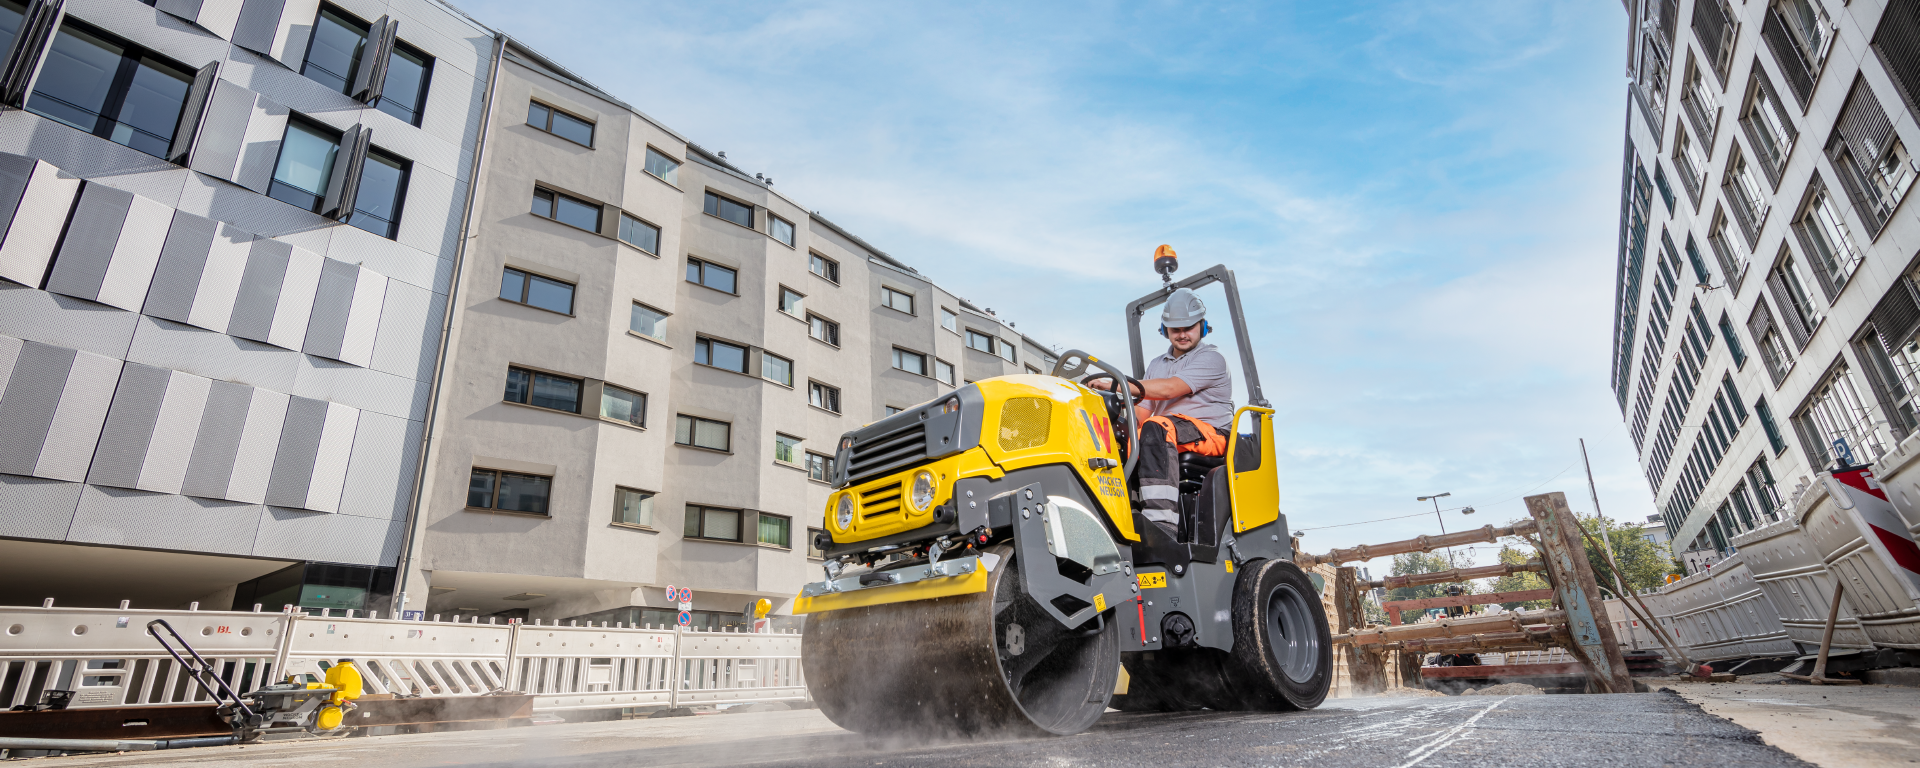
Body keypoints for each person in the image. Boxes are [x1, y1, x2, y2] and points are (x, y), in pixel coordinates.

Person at [1088, 286, 1232, 534]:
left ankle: (1161, 525)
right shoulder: (1157, 365)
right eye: (1176, 329)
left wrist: (1118, 385)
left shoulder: (1211, 358)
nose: (1183, 334)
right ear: (1165, 330)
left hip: (1212, 433)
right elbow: (1142, 413)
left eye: (1189, 327)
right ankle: (1123, 516)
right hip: (1170, 431)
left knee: (1157, 427)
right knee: (1123, 435)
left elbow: (1169, 389)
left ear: (1203, 326)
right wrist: (1113, 424)